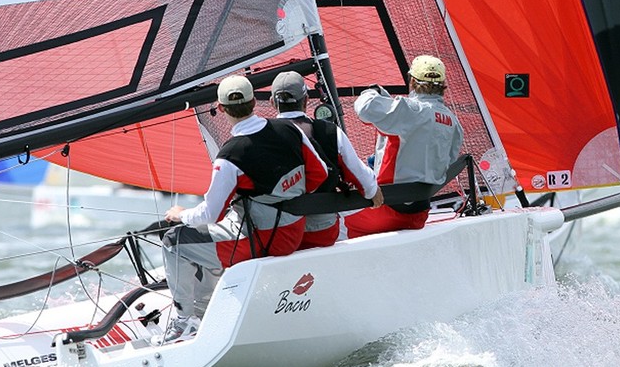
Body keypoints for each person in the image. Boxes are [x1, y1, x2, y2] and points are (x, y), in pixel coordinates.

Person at [158, 74, 328, 343]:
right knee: (209, 233)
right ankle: (202, 313)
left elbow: (209, 214)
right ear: (255, 101)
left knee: (174, 241)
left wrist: (180, 214)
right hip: (294, 232)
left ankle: (184, 321)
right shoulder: (290, 131)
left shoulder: (229, 156)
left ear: (222, 108)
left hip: (263, 241)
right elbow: (319, 174)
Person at [343, 55, 463, 238]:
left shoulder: (409, 110)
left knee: (329, 219)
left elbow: (364, 108)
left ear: (412, 81)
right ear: (443, 84)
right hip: (418, 214)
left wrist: (372, 91)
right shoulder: (453, 122)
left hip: (386, 211)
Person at [269, 70, 384, 248]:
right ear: (306, 100)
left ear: (272, 103)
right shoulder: (330, 131)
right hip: (321, 229)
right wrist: (373, 192)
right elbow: (361, 178)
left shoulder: (260, 135)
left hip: (277, 231)